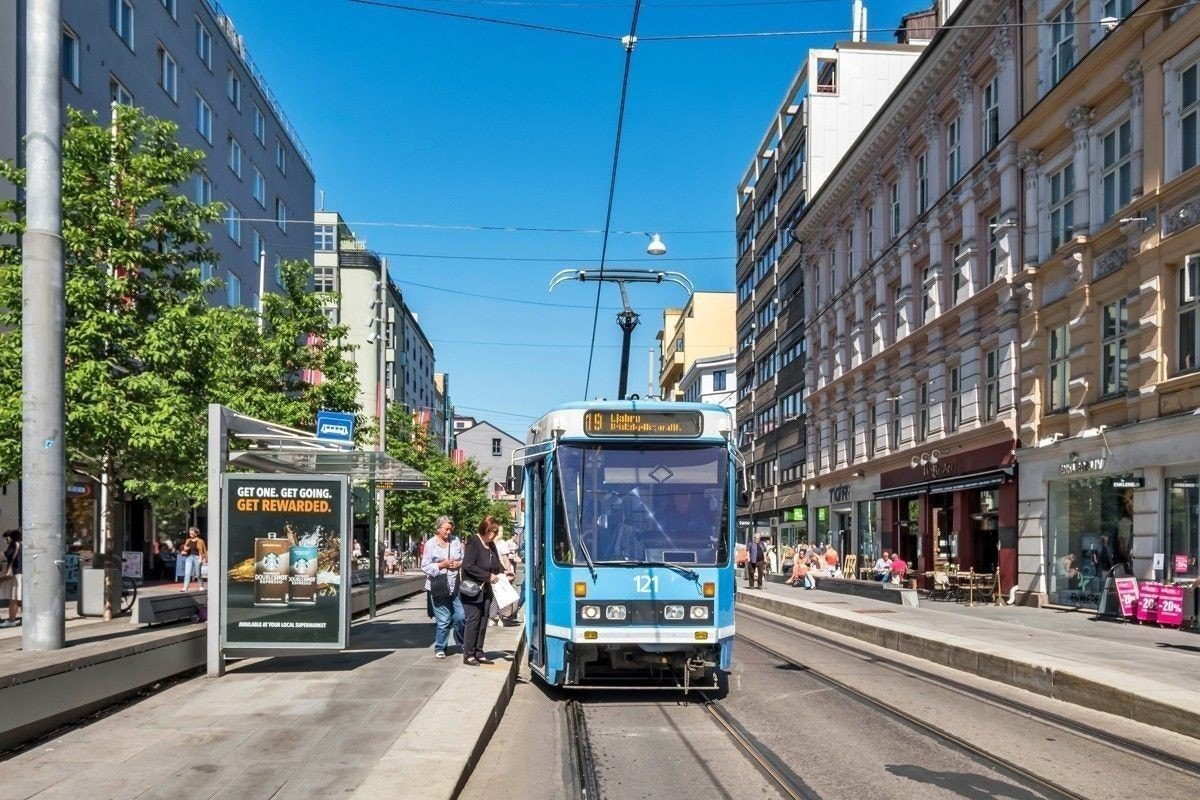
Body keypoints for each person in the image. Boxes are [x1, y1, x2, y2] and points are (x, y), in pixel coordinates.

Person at [461, 516, 503, 666]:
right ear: (485, 529)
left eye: (496, 532)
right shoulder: (474, 542)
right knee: (473, 621)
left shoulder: (491, 545)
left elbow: (497, 563)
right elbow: (468, 566)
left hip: (486, 590)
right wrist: (487, 576)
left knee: (484, 620)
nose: (494, 535)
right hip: (472, 590)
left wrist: (504, 572)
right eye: (493, 532)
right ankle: (469, 654)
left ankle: (479, 651)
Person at [422, 516, 465, 660]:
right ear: (438, 528)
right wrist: (442, 565)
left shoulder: (456, 540)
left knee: (461, 617)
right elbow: (425, 566)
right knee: (444, 620)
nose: (449, 531)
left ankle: (460, 640)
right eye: (446, 528)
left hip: (455, 585)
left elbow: (463, 558)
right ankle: (440, 646)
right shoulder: (430, 544)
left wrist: (458, 563)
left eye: (450, 528)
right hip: (438, 586)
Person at [1, 530, 22, 628]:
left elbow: (7, 557)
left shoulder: (15, 545)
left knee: (14, 598)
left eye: (6, 538)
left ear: (10, 537)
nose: (5, 541)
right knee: (20, 598)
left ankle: (11, 620)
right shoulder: (23, 545)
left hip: (17, 574)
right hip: (23, 574)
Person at [180, 527, 207, 592]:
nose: (190, 535)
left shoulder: (200, 541)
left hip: (197, 557)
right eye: (190, 533)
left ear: (196, 534)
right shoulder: (188, 540)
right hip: (189, 558)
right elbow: (184, 549)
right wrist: (184, 550)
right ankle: (185, 587)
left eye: (192, 534)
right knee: (187, 573)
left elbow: (204, 550)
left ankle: (201, 586)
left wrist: (203, 558)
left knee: (198, 573)